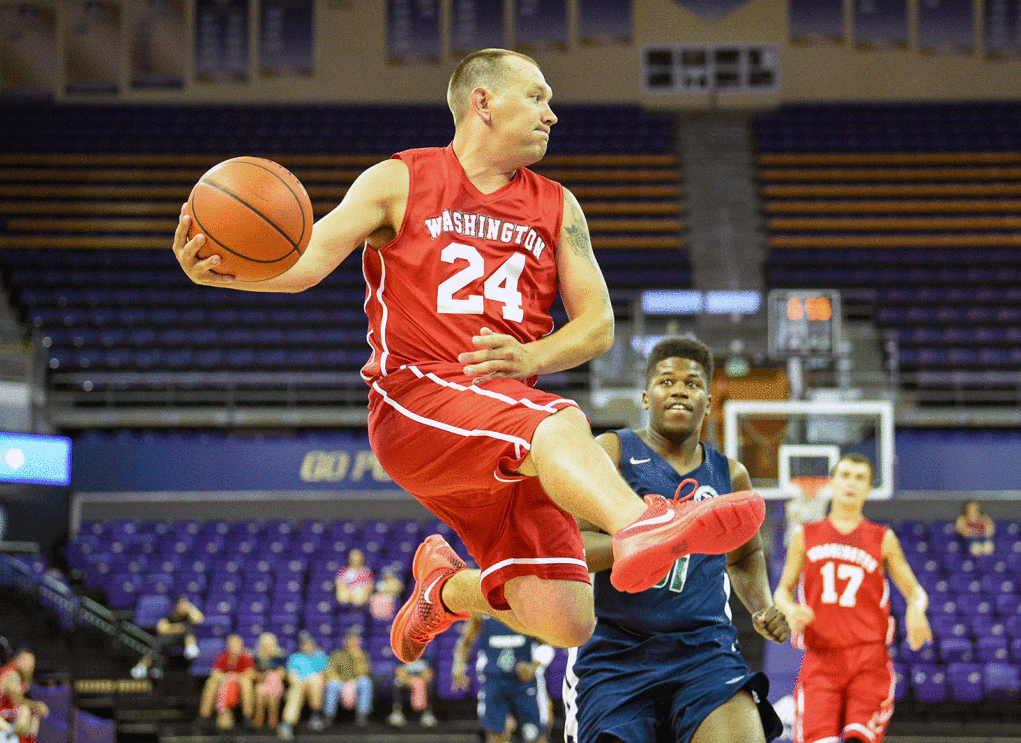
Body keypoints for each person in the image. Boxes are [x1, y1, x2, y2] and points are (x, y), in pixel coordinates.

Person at [171, 47, 766, 663]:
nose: (552, 115)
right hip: (418, 401)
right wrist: (226, 275)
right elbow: (306, 263)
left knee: (567, 620)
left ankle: (444, 592)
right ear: (482, 101)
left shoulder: (558, 206)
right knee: (560, 418)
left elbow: (598, 326)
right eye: (537, 97)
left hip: (508, 428)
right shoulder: (398, 180)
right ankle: (641, 522)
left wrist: (530, 352)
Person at [563, 337, 789, 743]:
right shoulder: (612, 451)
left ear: (708, 400)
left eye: (693, 383)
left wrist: (762, 606)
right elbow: (572, 549)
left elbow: (745, 554)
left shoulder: (729, 474)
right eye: (667, 381)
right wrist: (654, 538)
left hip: (703, 651)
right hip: (617, 654)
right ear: (647, 397)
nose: (680, 389)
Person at [774, 453, 933, 743]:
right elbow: (782, 590)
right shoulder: (804, 535)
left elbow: (915, 591)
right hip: (821, 658)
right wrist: (789, 608)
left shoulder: (882, 538)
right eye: (845, 475)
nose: (851, 483)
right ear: (832, 482)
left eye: (860, 478)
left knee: (858, 738)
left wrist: (917, 607)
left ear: (870, 489)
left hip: (868, 659)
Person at [453, 616, 554, 743]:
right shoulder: (482, 608)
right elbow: (466, 640)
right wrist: (458, 666)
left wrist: (534, 666)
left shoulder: (530, 607)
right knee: (495, 736)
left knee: (535, 736)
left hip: (525, 683)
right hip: (494, 680)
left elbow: (547, 645)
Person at [131, 595, 204, 679]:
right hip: (171, 639)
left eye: (185, 604)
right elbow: (161, 628)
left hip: (185, 640)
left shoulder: (189, 615)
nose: (183, 607)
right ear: (177, 605)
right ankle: (142, 666)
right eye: (181, 604)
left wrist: (190, 608)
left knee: (188, 629)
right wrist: (179, 628)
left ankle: (191, 648)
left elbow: (200, 620)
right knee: (157, 641)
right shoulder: (171, 615)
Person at [198, 634, 255, 731]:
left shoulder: (246, 657)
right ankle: (204, 716)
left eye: (237, 644)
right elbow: (215, 673)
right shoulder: (222, 657)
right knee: (211, 683)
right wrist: (227, 677)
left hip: (239, 684)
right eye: (232, 644)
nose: (234, 647)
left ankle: (247, 717)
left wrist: (235, 677)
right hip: (224, 684)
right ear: (227, 646)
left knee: (246, 683)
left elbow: (251, 674)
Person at [277, 632, 327, 741]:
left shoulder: (320, 656)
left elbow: (324, 675)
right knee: (295, 692)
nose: (307, 645)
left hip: (315, 687)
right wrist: (301, 683)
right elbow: (291, 677)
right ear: (300, 645)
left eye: (308, 643)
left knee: (315, 680)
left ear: (313, 643)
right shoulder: (294, 658)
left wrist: (309, 681)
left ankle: (315, 716)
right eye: (304, 643)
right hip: (298, 686)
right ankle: (287, 725)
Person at [323, 629, 372, 727]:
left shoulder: (362, 654)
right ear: (345, 642)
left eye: (355, 641)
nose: (352, 643)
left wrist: (357, 657)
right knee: (331, 684)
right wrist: (343, 682)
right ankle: (328, 716)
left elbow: (364, 672)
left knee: (365, 682)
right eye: (350, 640)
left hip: (355, 682)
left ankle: (362, 715)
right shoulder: (337, 654)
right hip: (340, 683)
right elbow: (329, 671)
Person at [0, 650, 47, 743]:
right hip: (2, 714)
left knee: (30, 713)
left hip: (6, 712)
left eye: (32, 663)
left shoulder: (23, 676)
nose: (31, 666)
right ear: (18, 660)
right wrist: (37, 705)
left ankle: (25, 739)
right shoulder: (12, 675)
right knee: (26, 711)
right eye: (28, 662)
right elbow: (16, 700)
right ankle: (12, 734)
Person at [387, 659, 438, 729]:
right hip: (406, 682)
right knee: (396, 683)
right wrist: (410, 681)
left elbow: (429, 673)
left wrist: (418, 682)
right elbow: (399, 672)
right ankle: (397, 712)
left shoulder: (427, 657)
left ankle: (428, 713)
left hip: (422, 682)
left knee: (430, 684)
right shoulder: (402, 656)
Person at [251, 633, 286, 731]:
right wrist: (263, 676)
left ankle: (273, 723)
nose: (267, 647)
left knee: (272, 695)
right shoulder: (257, 658)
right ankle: (258, 721)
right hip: (262, 684)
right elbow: (254, 675)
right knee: (259, 691)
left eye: (270, 645)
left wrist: (272, 675)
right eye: (265, 645)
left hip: (276, 685)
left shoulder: (279, 657)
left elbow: (283, 674)